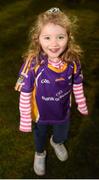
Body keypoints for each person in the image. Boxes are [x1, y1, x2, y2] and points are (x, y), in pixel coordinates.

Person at [15, 7, 88, 176]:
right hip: (39, 114)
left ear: (69, 38)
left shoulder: (73, 61)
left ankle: (56, 142)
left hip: (63, 110)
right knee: (39, 136)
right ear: (37, 39)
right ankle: (40, 153)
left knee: (62, 133)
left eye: (60, 37)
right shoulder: (33, 63)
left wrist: (81, 102)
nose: (54, 44)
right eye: (47, 38)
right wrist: (25, 118)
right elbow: (25, 92)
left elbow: (77, 83)